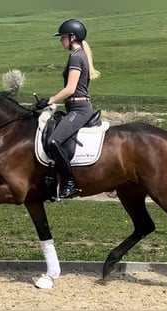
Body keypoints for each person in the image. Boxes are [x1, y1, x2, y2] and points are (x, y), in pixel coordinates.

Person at [37, 18, 101, 199]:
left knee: (53, 142)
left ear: (72, 37)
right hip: (75, 107)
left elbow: (70, 89)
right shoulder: (80, 55)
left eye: (63, 37)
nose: (60, 40)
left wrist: (50, 100)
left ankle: (70, 184)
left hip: (79, 109)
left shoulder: (76, 57)